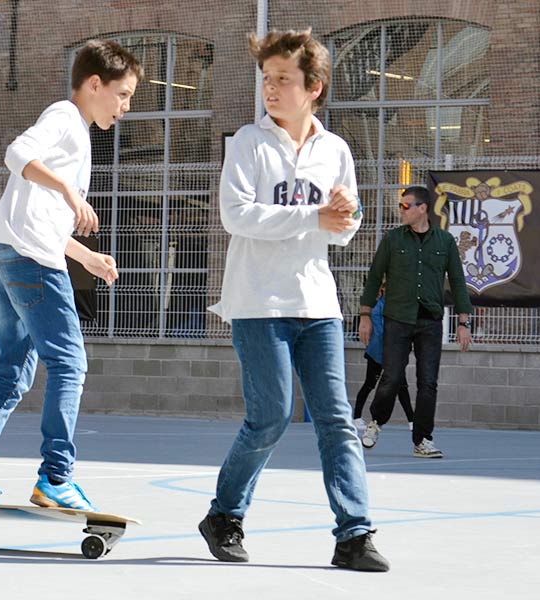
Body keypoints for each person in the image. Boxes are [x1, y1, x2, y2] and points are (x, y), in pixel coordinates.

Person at [200, 29, 389, 572]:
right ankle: (224, 515)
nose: (271, 89)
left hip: (318, 305)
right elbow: (236, 215)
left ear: (315, 88)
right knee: (271, 417)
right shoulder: (247, 143)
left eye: (283, 79)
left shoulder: (335, 150)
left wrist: (344, 216)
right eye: (267, 79)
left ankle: (354, 534)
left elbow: (343, 231)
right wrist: (313, 216)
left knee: (335, 420)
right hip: (258, 303)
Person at [0, 39, 141, 510]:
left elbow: (37, 215)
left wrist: (85, 257)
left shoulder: (76, 131)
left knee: (11, 373)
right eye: (124, 94)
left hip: (4, 252)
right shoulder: (66, 119)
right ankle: (56, 477)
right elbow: (17, 153)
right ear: (95, 84)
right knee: (69, 364)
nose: (126, 107)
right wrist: (72, 193)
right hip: (27, 260)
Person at [359, 185, 473, 458]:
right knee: (392, 376)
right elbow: (374, 277)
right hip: (397, 319)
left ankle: (423, 440)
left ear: (422, 208)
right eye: (400, 206)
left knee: (428, 382)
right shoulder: (392, 240)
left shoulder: (444, 242)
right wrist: (365, 315)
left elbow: (457, 281)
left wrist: (463, 322)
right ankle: (376, 421)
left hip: (430, 322)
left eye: (405, 206)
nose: (401, 210)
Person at [353, 281, 414, 432]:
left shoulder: (396, 306)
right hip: (378, 353)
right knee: (370, 384)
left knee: (401, 386)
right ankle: (356, 417)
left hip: (392, 353)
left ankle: (412, 421)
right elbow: (380, 331)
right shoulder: (378, 306)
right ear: (383, 290)